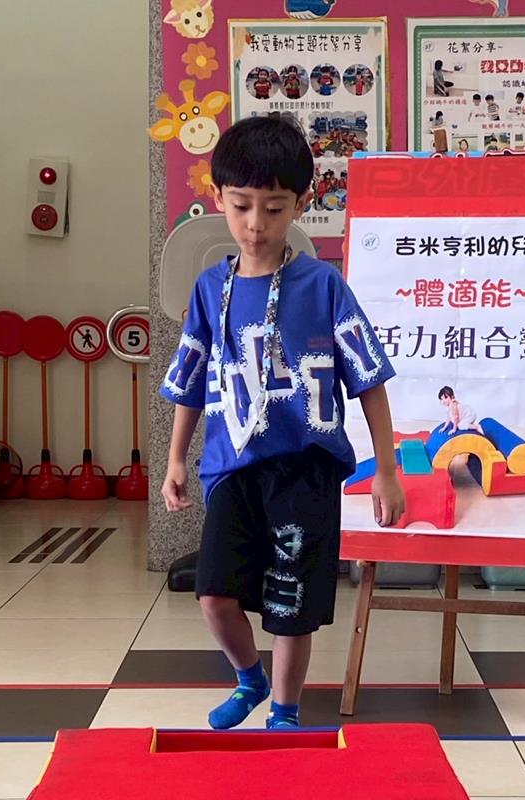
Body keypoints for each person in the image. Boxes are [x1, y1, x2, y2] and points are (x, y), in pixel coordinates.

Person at [160, 116, 404, 731]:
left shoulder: (323, 285)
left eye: (274, 208)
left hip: (305, 470)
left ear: (300, 203)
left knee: (291, 604)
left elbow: (369, 381)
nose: (256, 224)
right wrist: (175, 460)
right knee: (214, 594)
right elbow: (191, 379)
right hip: (232, 468)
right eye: (241, 206)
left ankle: (286, 714)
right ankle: (250, 678)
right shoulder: (209, 289)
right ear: (218, 197)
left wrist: (387, 471)